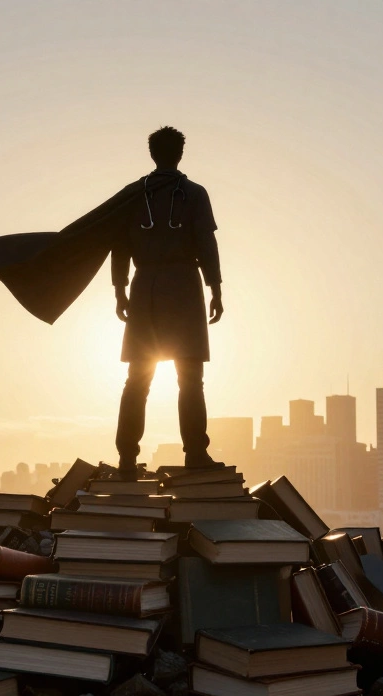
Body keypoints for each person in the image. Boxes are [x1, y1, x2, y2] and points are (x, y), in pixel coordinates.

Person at [111, 127, 223, 478]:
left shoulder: (132, 196)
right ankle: (196, 454)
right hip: (184, 288)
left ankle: (127, 460)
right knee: (190, 378)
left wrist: (120, 287)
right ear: (180, 154)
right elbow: (206, 244)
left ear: (152, 154)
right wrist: (215, 287)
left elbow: (119, 246)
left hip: (145, 288)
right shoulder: (195, 194)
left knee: (137, 378)